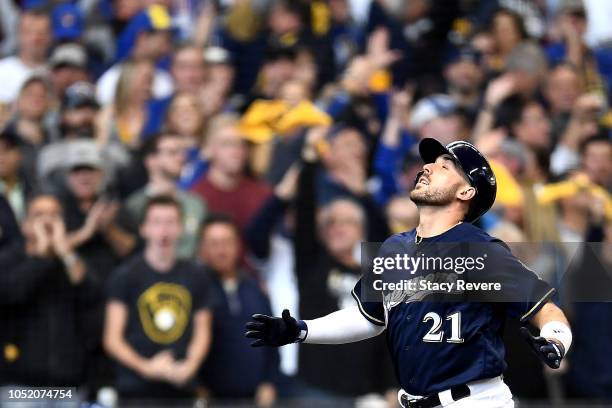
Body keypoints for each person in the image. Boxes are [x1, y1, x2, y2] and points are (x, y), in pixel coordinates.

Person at [246, 137, 573, 408]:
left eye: (445, 166)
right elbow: (368, 317)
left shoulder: (481, 250)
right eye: (431, 162)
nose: (428, 167)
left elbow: (546, 308)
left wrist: (555, 340)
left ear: (466, 192)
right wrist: (302, 330)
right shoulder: (394, 248)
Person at [104, 195, 213, 402]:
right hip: (135, 391)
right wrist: (146, 368)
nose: (163, 230)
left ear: (181, 228)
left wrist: (189, 365)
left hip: (181, 388)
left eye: (170, 222)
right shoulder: (125, 275)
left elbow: (202, 330)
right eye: (156, 222)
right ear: (143, 229)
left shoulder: (196, 275)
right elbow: (112, 339)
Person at [0, 193, 99, 387]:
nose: (47, 222)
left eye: (54, 216)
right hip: (19, 384)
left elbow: (91, 297)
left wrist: (66, 253)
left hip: (68, 384)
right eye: (39, 215)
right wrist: (43, 256)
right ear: (25, 224)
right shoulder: (8, 260)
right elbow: (13, 294)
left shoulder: (71, 263)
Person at [198, 214, 279, 406]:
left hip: (256, 397)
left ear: (238, 246)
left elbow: (273, 337)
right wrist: (195, 386)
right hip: (210, 398)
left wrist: (270, 382)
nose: (221, 250)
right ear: (201, 249)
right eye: (214, 243)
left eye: (227, 242)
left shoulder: (254, 287)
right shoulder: (195, 289)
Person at [125, 132, 207, 259]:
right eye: (172, 152)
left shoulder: (196, 203)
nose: (181, 158)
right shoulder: (134, 205)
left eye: (182, 153)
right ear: (151, 161)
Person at [0, 8, 52, 103]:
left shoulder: (57, 74)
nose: (35, 38)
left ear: (50, 36)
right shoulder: (1, 71)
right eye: (28, 32)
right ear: (18, 35)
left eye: (41, 33)